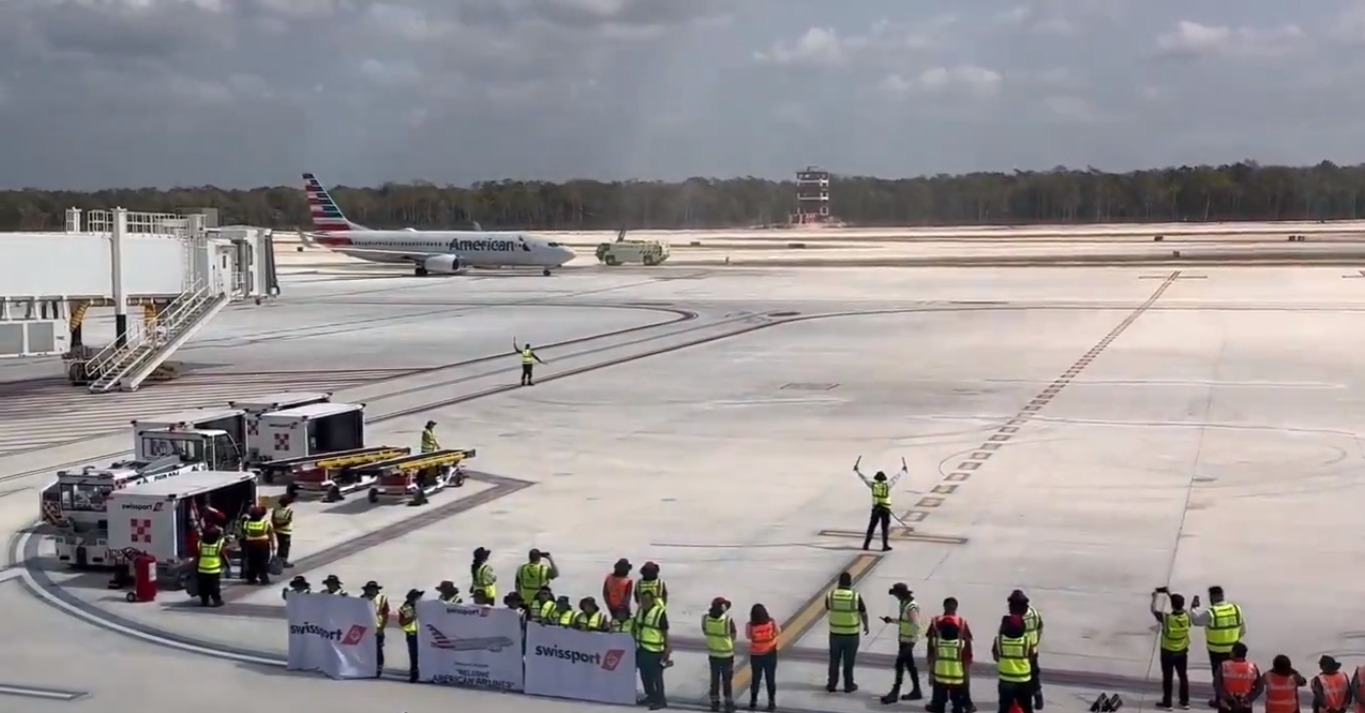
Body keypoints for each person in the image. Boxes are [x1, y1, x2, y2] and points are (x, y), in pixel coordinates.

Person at [1194, 586, 1246, 708]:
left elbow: (1195, 620)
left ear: (1211, 598)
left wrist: (1194, 608)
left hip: (1216, 651)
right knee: (1232, 676)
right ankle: (1235, 698)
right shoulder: (1236, 609)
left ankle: (1220, 700)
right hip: (1233, 650)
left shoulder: (1211, 612)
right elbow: (1243, 630)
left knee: (1219, 678)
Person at [824, 570, 869, 693]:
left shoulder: (831, 595)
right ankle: (848, 685)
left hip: (835, 633)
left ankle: (831, 684)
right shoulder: (855, 596)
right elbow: (863, 613)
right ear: (850, 582)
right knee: (849, 661)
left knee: (834, 660)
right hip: (851, 634)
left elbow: (828, 607)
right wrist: (866, 626)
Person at [929, 597, 976, 713]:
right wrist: (968, 662)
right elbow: (968, 641)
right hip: (958, 669)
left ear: (944, 606)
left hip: (940, 668)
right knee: (960, 692)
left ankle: (936, 704)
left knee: (939, 690)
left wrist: (930, 664)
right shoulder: (961, 622)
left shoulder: (936, 621)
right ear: (956, 608)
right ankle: (967, 704)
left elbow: (930, 643)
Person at [881, 582, 923, 703]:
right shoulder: (905, 603)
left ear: (901, 594)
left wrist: (912, 638)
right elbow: (905, 620)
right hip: (904, 639)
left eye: (896, 595)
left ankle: (895, 692)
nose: (896, 597)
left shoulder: (911, 606)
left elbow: (915, 624)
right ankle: (917, 690)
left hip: (909, 640)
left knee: (899, 664)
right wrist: (892, 620)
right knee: (910, 665)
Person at [1150, 587, 1191, 710]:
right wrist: (1169, 594)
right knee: (1183, 676)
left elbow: (1153, 609)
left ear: (1172, 606)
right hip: (1182, 651)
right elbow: (1178, 606)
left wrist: (1155, 597)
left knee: (1168, 677)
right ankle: (1185, 701)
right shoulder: (1187, 616)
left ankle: (1167, 703)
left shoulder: (1166, 618)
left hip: (1168, 651)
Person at [1008, 590, 1044, 709]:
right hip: (1033, 650)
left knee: (1020, 678)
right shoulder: (1033, 612)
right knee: (1034, 675)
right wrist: (1036, 641)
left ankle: (1019, 701)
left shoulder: (1016, 619)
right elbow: (1040, 626)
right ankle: (1038, 698)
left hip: (1020, 652)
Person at [636, 590, 670, 710]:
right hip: (642, 648)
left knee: (657, 677)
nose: (644, 602)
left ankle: (661, 700)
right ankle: (651, 696)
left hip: (655, 650)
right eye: (642, 600)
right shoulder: (640, 611)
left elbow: (665, 631)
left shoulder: (659, 613)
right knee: (645, 675)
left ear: (652, 600)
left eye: (647, 600)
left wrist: (667, 648)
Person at [994, 615, 1036, 713]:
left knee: (1004, 707)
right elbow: (1031, 656)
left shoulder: (999, 641)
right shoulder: (1026, 641)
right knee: (1026, 707)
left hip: (1006, 679)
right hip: (1024, 679)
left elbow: (996, 657)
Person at [928, 619, 970, 713]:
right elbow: (965, 664)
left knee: (940, 703)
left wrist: (931, 675)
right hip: (957, 679)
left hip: (940, 679)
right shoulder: (960, 646)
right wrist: (966, 679)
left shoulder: (938, 644)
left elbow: (933, 661)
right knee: (957, 702)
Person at [703, 597, 738, 712]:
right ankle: (728, 702)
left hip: (713, 653)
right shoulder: (727, 620)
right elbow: (733, 635)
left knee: (714, 679)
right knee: (727, 680)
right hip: (726, 655)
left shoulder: (705, 619)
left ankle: (714, 702)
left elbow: (705, 631)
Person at [746, 603, 780, 712]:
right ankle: (771, 702)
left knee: (756, 679)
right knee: (770, 679)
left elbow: (748, 636)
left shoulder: (750, 625)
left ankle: (753, 701)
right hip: (770, 653)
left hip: (756, 655)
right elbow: (778, 631)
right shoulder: (771, 622)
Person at [1216, 642, 1263, 713]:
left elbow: (1217, 684)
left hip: (1227, 704)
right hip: (1245, 704)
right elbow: (1260, 687)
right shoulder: (1252, 668)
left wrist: (1227, 697)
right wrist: (1249, 698)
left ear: (1233, 653)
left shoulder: (1224, 666)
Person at [361, 581, 389, 678]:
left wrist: (381, 628)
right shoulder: (361, 599)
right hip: (364, 628)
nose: (372, 591)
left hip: (377, 628)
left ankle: (378, 667)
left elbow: (385, 615)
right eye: (370, 589)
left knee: (378, 649)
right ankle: (366, 666)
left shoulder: (382, 599)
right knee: (364, 648)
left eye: (374, 589)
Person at [861, 470, 894, 551]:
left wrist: (858, 472)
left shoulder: (873, 485)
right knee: (884, 528)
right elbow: (895, 479)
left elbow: (865, 479)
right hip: (885, 508)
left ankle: (866, 545)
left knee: (871, 527)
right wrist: (902, 471)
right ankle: (885, 545)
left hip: (876, 508)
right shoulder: (887, 485)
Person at [240, 505, 273, 584]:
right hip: (263, 545)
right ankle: (264, 579)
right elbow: (270, 534)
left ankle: (251, 578)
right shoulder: (266, 523)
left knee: (252, 562)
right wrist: (273, 545)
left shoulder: (247, 523)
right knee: (263, 561)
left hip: (250, 545)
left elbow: (243, 533)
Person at [195, 526, 226, 607]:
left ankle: (204, 600)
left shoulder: (200, 544)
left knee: (203, 586)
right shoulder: (218, 545)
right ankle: (216, 601)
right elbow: (223, 555)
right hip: (214, 570)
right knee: (215, 587)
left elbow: (197, 556)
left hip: (202, 569)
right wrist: (226, 564)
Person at [398, 589, 423, 683]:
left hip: (424, 634)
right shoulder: (406, 608)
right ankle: (414, 673)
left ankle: (424, 673)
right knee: (414, 655)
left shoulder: (423, 606)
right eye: (417, 597)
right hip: (412, 633)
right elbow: (402, 622)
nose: (418, 598)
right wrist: (413, 617)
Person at [270, 494, 295, 568]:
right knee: (285, 547)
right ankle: (283, 561)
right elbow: (287, 521)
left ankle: (279, 560)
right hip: (286, 531)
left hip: (277, 531)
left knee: (281, 546)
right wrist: (279, 526)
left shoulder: (276, 509)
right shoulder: (289, 510)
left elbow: (273, 519)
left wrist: (276, 526)